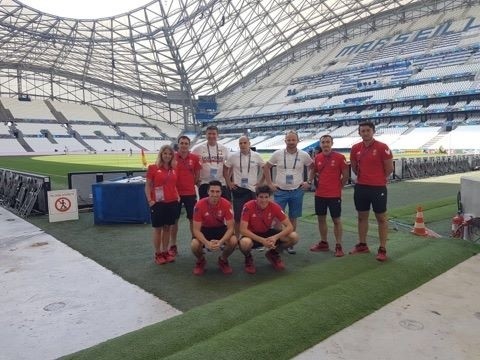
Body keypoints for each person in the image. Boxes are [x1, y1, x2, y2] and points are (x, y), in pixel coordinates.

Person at [349, 120, 394, 262]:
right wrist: (365, 178)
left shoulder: (382, 147)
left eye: (368, 130)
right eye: (363, 131)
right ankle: (362, 245)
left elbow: (389, 168)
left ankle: (382, 248)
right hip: (361, 187)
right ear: (359, 133)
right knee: (362, 217)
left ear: (373, 131)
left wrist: (377, 179)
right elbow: (355, 167)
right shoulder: (355, 148)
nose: (365, 133)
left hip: (378, 188)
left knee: (381, 218)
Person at [263, 130, 313, 254]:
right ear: (285, 141)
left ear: (297, 140)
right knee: (277, 218)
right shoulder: (278, 154)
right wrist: (269, 183)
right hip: (280, 191)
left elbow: (313, 167)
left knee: (293, 217)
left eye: (293, 140)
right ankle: (277, 241)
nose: (291, 142)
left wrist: (309, 182)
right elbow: (266, 167)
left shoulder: (304, 155)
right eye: (289, 140)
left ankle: (289, 242)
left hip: (297, 191)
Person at [239, 185, 298, 273]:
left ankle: (273, 254)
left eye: (266, 197)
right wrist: (262, 240)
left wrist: (275, 237)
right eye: (261, 197)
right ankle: (248, 258)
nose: (263, 200)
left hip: (267, 233)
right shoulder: (248, 206)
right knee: (245, 243)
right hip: (252, 234)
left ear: (269, 197)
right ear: (256, 197)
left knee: (294, 237)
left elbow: (290, 227)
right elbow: (243, 230)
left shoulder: (274, 206)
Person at [308, 135, 349, 257]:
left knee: (336, 220)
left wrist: (338, 187)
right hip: (320, 194)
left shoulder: (340, 157)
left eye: (327, 142)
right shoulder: (318, 157)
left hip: (334, 195)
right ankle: (324, 242)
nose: (325, 144)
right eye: (323, 142)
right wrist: (310, 181)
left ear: (332, 143)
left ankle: (338, 245)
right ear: (320, 144)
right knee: (321, 219)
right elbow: (313, 171)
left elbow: (345, 175)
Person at [191, 180, 237, 275]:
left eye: (217, 191)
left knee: (233, 241)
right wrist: (207, 243)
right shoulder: (199, 205)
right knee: (194, 244)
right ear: (208, 192)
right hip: (205, 230)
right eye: (212, 191)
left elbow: (230, 228)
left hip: (220, 228)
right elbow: (196, 230)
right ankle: (201, 261)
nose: (215, 194)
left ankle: (223, 260)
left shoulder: (227, 204)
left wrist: (220, 242)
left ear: (221, 192)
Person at [145, 144, 179, 265]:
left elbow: (173, 185)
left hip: (172, 202)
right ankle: (158, 253)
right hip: (158, 203)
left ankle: (165, 251)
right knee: (158, 229)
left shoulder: (173, 169)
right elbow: (148, 185)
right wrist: (150, 200)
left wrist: (177, 196)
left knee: (167, 228)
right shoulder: (153, 168)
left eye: (170, 154)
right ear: (161, 154)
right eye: (165, 153)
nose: (167, 156)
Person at [224, 135, 265, 236]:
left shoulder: (256, 155)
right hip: (238, 189)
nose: (242, 145)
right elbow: (225, 168)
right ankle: (237, 237)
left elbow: (265, 168)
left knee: (253, 215)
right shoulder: (233, 156)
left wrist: (260, 182)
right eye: (240, 143)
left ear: (249, 144)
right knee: (238, 216)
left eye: (244, 143)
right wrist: (229, 182)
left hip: (252, 189)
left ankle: (253, 238)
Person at [170, 135, 202, 257]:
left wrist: (195, 181)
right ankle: (173, 245)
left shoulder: (194, 158)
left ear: (189, 145)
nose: (183, 145)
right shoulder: (172, 157)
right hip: (175, 193)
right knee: (174, 220)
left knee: (192, 219)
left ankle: (195, 242)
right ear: (178, 144)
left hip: (190, 193)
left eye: (186, 143)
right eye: (181, 143)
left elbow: (197, 172)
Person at [192, 125, 231, 200]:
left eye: (213, 134)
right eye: (209, 134)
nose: (211, 136)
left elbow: (230, 164)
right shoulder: (198, 149)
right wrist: (196, 179)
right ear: (206, 135)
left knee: (223, 205)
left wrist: (228, 179)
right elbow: (191, 164)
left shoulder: (224, 149)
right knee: (205, 206)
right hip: (204, 183)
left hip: (221, 183)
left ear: (217, 135)